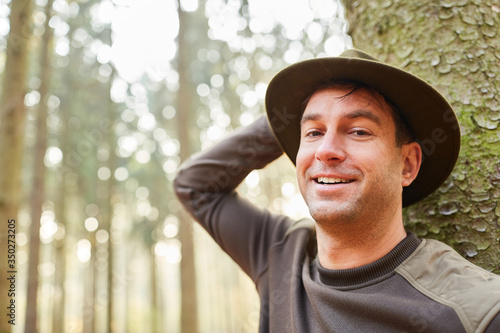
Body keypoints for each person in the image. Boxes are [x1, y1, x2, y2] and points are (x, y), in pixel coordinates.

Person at [174, 49, 500, 332]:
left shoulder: (474, 312)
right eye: (313, 133)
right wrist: (287, 115)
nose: (326, 151)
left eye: (358, 131)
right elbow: (195, 185)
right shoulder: (282, 256)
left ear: (407, 165)